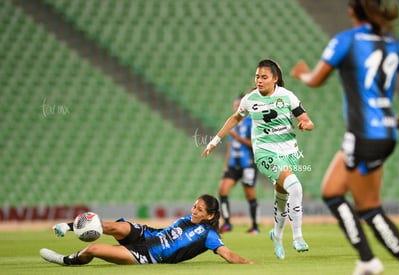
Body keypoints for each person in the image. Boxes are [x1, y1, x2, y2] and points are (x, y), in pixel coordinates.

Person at [290, 1, 399, 274]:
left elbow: (316, 79)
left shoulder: (346, 40)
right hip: (385, 132)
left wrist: (302, 74)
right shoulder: (391, 42)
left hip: (363, 134)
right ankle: (368, 260)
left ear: (351, 11)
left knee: (369, 208)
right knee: (332, 192)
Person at [202, 59, 314, 259]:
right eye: (257, 77)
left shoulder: (287, 97)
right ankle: (297, 237)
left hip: (289, 152)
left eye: (264, 77)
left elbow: (306, 119)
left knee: (282, 196)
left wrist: (306, 124)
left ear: (275, 79)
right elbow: (235, 118)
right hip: (265, 153)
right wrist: (215, 141)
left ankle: (277, 236)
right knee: (295, 187)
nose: (259, 81)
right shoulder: (250, 99)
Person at [40, 194, 255, 265]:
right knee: (113, 226)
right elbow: (166, 233)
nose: (194, 211)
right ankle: (67, 226)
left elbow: (228, 255)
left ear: (210, 215)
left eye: (199, 210)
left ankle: (66, 260)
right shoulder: (186, 219)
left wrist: (249, 263)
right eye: (194, 206)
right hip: (148, 234)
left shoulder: (209, 235)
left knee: (94, 250)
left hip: (147, 255)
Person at [218, 94, 260, 234]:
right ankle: (227, 223)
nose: (236, 108)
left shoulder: (251, 122)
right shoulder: (232, 123)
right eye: (235, 105)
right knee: (222, 190)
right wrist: (226, 165)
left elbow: (253, 144)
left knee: (250, 195)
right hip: (232, 165)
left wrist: (238, 137)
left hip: (247, 164)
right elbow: (231, 145)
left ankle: (255, 226)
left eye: (239, 105)